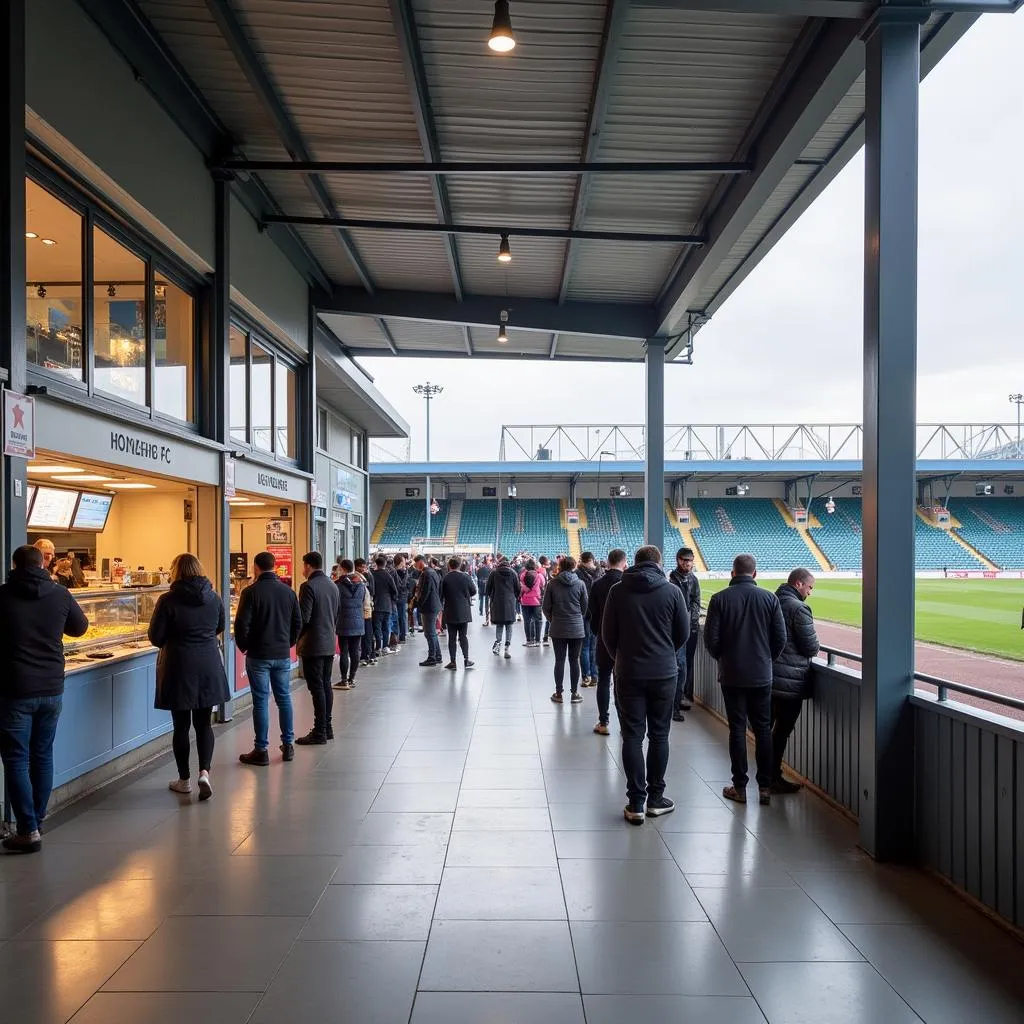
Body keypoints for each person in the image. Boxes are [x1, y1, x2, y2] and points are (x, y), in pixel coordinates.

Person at [0, 545, 88, 852]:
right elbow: (80, 628)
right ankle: (37, 822)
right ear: (43, 563)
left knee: (16, 758)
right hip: (52, 688)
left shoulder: (3, 596)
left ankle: (27, 829)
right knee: (42, 754)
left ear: (14, 565)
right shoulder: (59, 594)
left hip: (15, 689)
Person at [601, 546, 688, 824]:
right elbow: (682, 633)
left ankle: (636, 802)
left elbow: (607, 634)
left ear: (635, 563)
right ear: (659, 563)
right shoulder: (672, 591)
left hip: (629, 672)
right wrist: (664, 653)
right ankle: (656, 799)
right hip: (664, 673)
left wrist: (622, 658)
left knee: (632, 736)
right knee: (659, 736)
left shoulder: (618, 590)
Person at [703, 554, 787, 806]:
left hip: (732, 674)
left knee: (737, 729)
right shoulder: (770, 598)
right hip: (761, 675)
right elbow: (780, 638)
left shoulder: (719, 599)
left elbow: (711, 640)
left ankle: (739, 786)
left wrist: (725, 658)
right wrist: (765, 659)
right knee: (763, 730)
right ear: (755, 574)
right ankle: (765, 787)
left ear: (732, 573)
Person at [149, 553, 230, 800]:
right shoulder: (214, 598)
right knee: (204, 723)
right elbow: (220, 626)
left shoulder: (167, 600)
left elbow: (155, 637)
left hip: (178, 666)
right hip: (208, 665)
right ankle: (204, 772)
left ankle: (184, 780)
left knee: (181, 726)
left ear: (176, 571)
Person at [234, 551, 302, 766]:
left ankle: (261, 749)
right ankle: (288, 745)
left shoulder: (250, 592)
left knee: (261, 701)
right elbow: (298, 623)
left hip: (258, 655)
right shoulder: (288, 592)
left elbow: (241, 624)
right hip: (281, 654)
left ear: (256, 567)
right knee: (284, 698)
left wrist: (244, 646)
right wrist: (288, 643)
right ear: (274, 566)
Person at [770, 568, 821, 793]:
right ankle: (772, 777)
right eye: (810, 587)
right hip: (790, 682)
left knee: (765, 729)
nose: (810, 593)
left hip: (766, 677)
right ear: (799, 584)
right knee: (781, 732)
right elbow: (811, 647)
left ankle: (765, 777)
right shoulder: (799, 609)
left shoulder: (769, 601)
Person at [296, 551, 341, 745]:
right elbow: (336, 613)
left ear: (307, 566)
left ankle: (319, 730)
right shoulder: (333, 585)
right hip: (329, 641)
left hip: (313, 644)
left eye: (302, 565)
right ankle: (327, 727)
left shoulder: (308, 587)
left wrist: (294, 637)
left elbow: (303, 618)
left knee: (316, 688)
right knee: (325, 684)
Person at [588, 548, 626, 736]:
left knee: (603, 681)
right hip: (624, 643)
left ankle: (603, 721)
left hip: (603, 640)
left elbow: (591, 615)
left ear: (608, 562)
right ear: (624, 562)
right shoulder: (627, 583)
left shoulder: (597, 584)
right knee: (621, 682)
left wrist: (599, 633)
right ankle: (624, 721)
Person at [543, 556, 589, 704]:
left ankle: (558, 693)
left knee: (560, 660)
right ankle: (575, 693)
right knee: (574, 660)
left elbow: (545, 607)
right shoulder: (580, 584)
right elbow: (584, 607)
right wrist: (577, 617)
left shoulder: (552, 584)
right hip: (576, 628)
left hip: (558, 627)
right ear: (574, 567)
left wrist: (553, 619)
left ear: (560, 566)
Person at [668, 547, 702, 721]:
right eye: (684, 560)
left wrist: (692, 621)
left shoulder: (693, 580)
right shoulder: (671, 579)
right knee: (679, 666)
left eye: (689, 560)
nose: (687, 563)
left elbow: (696, 601)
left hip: (690, 629)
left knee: (686, 665)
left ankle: (681, 698)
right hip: (676, 631)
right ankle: (673, 706)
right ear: (678, 560)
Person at [334, 559, 370, 691]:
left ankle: (344, 680)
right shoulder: (361, 585)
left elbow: (335, 605)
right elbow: (365, 602)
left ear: (342, 569)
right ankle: (352, 678)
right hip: (358, 622)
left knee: (344, 651)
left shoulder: (338, 585)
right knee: (355, 651)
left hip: (343, 621)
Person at [441, 557, 477, 669]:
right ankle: (466, 660)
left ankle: (453, 662)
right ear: (459, 565)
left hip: (450, 610)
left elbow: (440, 594)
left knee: (451, 637)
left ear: (449, 565)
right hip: (463, 610)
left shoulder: (445, 578)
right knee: (463, 636)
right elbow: (474, 591)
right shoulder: (466, 576)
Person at [486, 556, 521, 658]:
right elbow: (518, 588)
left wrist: (492, 596)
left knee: (499, 624)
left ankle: (497, 644)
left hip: (497, 601)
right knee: (509, 625)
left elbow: (488, 589)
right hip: (510, 602)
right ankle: (507, 647)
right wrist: (514, 597)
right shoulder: (513, 573)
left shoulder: (494, 573)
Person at [576, 551, 602, 687]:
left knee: (585, 647)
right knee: (593, 646)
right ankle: (595, 675)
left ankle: (586, 676)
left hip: (584, 613)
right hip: (596, 614)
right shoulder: (600, 574)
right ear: (592, 559)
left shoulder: (577, 574)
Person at [412, 554, 443, 666]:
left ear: (420, 562)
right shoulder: (433, 572)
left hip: (429, 607)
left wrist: (419, 604)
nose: (414, 566)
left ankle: (432, 657)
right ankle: (438, 656)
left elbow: (425, 591)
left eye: (415, 563)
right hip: (434, 605)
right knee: (432, 633)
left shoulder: (426, 573)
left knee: (429, 633)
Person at [370, 556, 398, 658]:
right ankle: (385, 647)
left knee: (377, 627)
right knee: (386, 627)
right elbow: (395, 591)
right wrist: (392, 600)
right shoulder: (388, 576)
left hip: (376, 605)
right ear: (385, 564)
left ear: (376, 564)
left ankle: (378, 647)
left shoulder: (372, 575)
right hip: (387, 605)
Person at [355, 557, 376, 665]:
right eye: (362, 567)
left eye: (364, 566)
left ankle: (368, 654)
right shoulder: (361, 577)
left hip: (365, 608)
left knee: (367, 633)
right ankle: (369, 654)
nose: (364, 569)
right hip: (365, 608)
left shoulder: (365, 576)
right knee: (367, 633)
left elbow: (372, 591)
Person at [519, 559, 544, 647]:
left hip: (525, 600)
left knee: (527, 621)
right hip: (536, 600)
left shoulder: (522, 575)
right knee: (538, 620)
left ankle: (529, 640)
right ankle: (537, 640)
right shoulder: (539, 575)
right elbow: (543, 584)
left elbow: (521, 587)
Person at [392, 554, 410, 646]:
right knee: (401, 617)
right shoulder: (402, 572)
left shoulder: (393, 571)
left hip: (397, 597)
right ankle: (401, 636)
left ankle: (397, 636)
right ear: (400, 562)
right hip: (401, 597)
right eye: (403, 560)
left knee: (397, 617)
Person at [476, 558, 492, 624]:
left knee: (481, 599)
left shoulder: (479, 570)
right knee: (487, 602)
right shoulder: (490, 570)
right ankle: (487, 616)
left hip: (481, 586)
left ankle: (481, 611)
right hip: (487, 587)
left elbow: (478, 577)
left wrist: (479, 586)